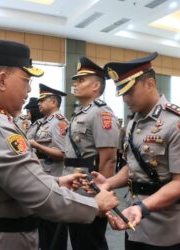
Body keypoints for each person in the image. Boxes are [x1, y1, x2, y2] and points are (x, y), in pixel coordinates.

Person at [0, 39, 119, 250]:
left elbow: (108, 157)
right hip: (3, 240)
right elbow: (41, 195)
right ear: (2, 80)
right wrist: (96, 205)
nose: (29, 89)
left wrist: (58, 183)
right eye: (26, 80)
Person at [91, 52, 180, 250]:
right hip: (134, 219)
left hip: (165, 225)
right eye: (121, 93)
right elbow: (133, 166)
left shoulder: (179, 122)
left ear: (149, 84)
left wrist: (142, 208)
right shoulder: (134, 122)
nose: (124, 99)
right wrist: (109, 182)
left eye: (129, 91)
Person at [64, 56, 119, 250]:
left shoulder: (102, 113)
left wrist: (101, 193)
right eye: (75, 80)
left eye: (81, 80)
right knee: (79, 240)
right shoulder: (81, 112)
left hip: (90, 189)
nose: (76, 84)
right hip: (75, 186)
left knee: (90, 242)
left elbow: (109, 159)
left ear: (96, 86)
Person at [28, 83, 68, 250]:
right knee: (43, 227)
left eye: (43, 100)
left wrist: (37, 146)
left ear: (53, 102)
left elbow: (62, 153)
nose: (39, 103)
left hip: (53, 176)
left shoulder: (58, 123)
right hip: (41, 176)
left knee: (53, 227)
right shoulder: (41, 123)